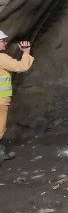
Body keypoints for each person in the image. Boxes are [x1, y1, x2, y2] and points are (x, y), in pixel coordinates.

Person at [0, 30, 33, 161]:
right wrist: (26, 52)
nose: (5, 42)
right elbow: (21, 67)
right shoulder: (1, 58)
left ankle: (1, 153)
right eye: (2, 40)